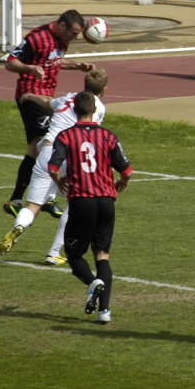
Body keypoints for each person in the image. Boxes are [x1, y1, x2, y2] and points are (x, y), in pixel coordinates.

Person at [0, 65, 108, 263]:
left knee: (33, 205)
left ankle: (19, 227)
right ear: (104, 89)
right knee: (74, 204)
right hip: (69, 154)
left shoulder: (68, 98)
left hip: (46, 150)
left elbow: (48, 102)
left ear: (84, 84)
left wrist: (30, 96)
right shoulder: (98, 107)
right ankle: (54, 253)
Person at [47, 91, 132, 324]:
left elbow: (52, 167)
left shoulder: (65, 137)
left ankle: (92, 282)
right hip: (106, 201)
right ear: (95, 110)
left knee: (74, 255)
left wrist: (59, 182)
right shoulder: (108, 136)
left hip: (81, 201)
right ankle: (104, 311)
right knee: (102, 255)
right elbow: (126, 170)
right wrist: (120, 184)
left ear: (74, 110)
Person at [3, 10, 91, 215]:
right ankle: (38, 199)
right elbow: (10, 62)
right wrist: (30, 69)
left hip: (47, 98)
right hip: (31, 96)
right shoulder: (36, 38)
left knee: (38, 148)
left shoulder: (61, 40)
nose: (75, 37)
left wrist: (77, 65)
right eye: (74, 33)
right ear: (62, 26)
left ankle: (22, 200)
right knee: (48, 143)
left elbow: (53, 61)